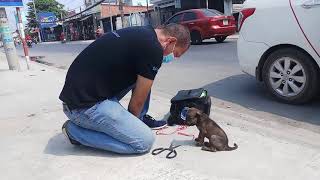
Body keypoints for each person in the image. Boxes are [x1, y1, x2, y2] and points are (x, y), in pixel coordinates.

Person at [59, 24, 191, 154]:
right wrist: (130, 128)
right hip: (83, 107)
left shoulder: (145, 32)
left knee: (145, 76)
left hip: (81, 94)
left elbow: (144, 82)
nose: (173, 57)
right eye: (175, 53)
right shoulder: (154, 49)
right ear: (171, 41)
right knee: (143, 142)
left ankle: (140, 118)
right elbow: (137, 103)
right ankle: (74, 132)